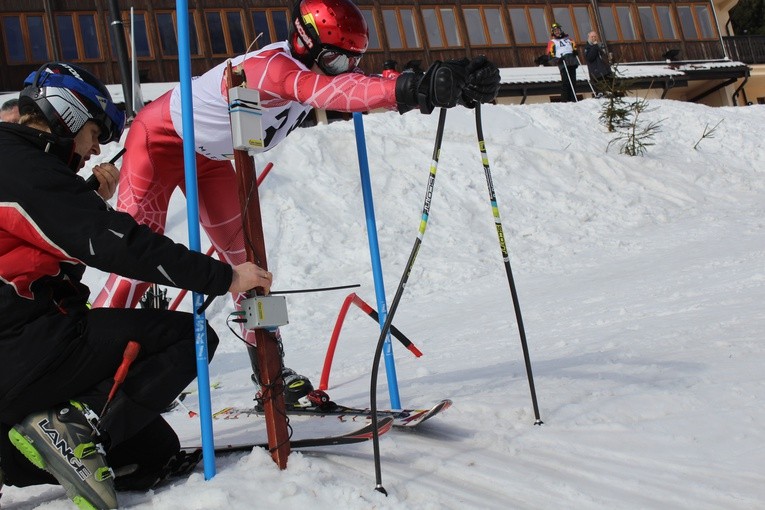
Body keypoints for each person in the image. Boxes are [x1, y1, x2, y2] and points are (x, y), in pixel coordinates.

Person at [92, 0, 500, 406]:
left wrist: (449, 75)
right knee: (136, 264)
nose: (344, 70)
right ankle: (88, 370)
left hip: (210, 161)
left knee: (250, 268)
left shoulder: (316, 66)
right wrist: (414, 90)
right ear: (306, 42)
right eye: (337, 60)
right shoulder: (276, 68)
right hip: (160, 142)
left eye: (351, 61)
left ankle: (271, 372)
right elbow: (332, 91)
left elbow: (363, 82)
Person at [0, 62, 272, 508]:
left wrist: (86, 200)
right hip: (24, 346)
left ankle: (22, 447)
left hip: (20, 347)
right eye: (93, 133)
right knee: (187, 338)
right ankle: (70, 433)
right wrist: (224, 276)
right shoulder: (24, 167)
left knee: (153, 453)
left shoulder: (20, 164)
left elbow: (46, 267)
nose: (94, 150)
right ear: (66, 115)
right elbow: (119, 246)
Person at [547, 22, 578, 102]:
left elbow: (574, 47)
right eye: (555, 31)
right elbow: (550, 56)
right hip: (563, 62)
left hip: (571, 61)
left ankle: (573, 98)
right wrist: (558, 60)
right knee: (566, 81)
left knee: (573, 80)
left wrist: (575, 51)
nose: (557, 32)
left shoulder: (568, 39)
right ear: (553, 32)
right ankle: (565, 99)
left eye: (558, 30)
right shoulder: (552, 42)